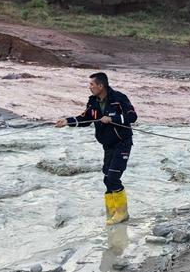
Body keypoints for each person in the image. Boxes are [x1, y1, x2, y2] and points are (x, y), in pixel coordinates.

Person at [55, 73, 138, 225]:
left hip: (123, 142)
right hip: (107, 145)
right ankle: (111, 212)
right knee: (107, 178)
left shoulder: (119, 98)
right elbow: (85, 119)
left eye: (92, 85)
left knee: (113, 177)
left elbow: (132, 117)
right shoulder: (93, 102)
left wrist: (113, 119)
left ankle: (122, 213)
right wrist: (67, 121)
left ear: (101, 86)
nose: (90, 87)